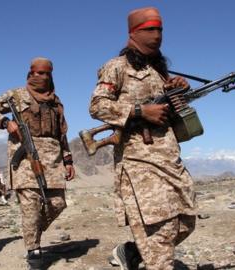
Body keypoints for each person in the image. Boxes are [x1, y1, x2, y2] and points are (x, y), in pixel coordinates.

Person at [88, 7, 197, 270]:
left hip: (169, 157)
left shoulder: (160, 72)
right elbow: (97, 105)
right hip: (138, 160)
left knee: (186, 220)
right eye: (150, 29)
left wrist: (179, 91)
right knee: (160, 230)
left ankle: (131, 252)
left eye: (160, 29)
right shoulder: (117, 67)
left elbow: (168, 110)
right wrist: (139, 111)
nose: (157, 35)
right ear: (133, 33)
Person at [0, 57, 75, 269]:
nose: (42, 77)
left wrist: (68, 160)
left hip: (53, 160)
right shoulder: (16, 95)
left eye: (47, 73)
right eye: (38, 73)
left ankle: (31, 232)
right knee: (31, 206)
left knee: (58, 203)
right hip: (24, 159)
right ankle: (33, 250)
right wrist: (6, 122)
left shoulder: (56, 101)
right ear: (30, 73)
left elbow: (62, 134)